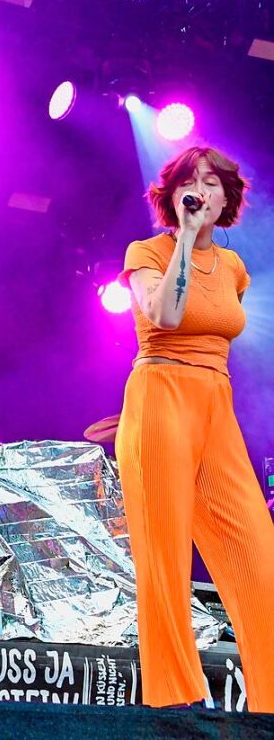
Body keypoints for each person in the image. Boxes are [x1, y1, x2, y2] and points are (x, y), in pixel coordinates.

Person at [116, 146, 274, 711]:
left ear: (228, 195)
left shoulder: (234, 269)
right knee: (165, 554)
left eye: (213, 182)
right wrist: (184, 237)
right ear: (174, 194)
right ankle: (176, 702)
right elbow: (164, 317)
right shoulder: (147, 251)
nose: (203, 190)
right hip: (162, 395)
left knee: (258, 550)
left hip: (217, 404)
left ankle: (270, 700)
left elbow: (220, 326)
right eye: (192, 181)